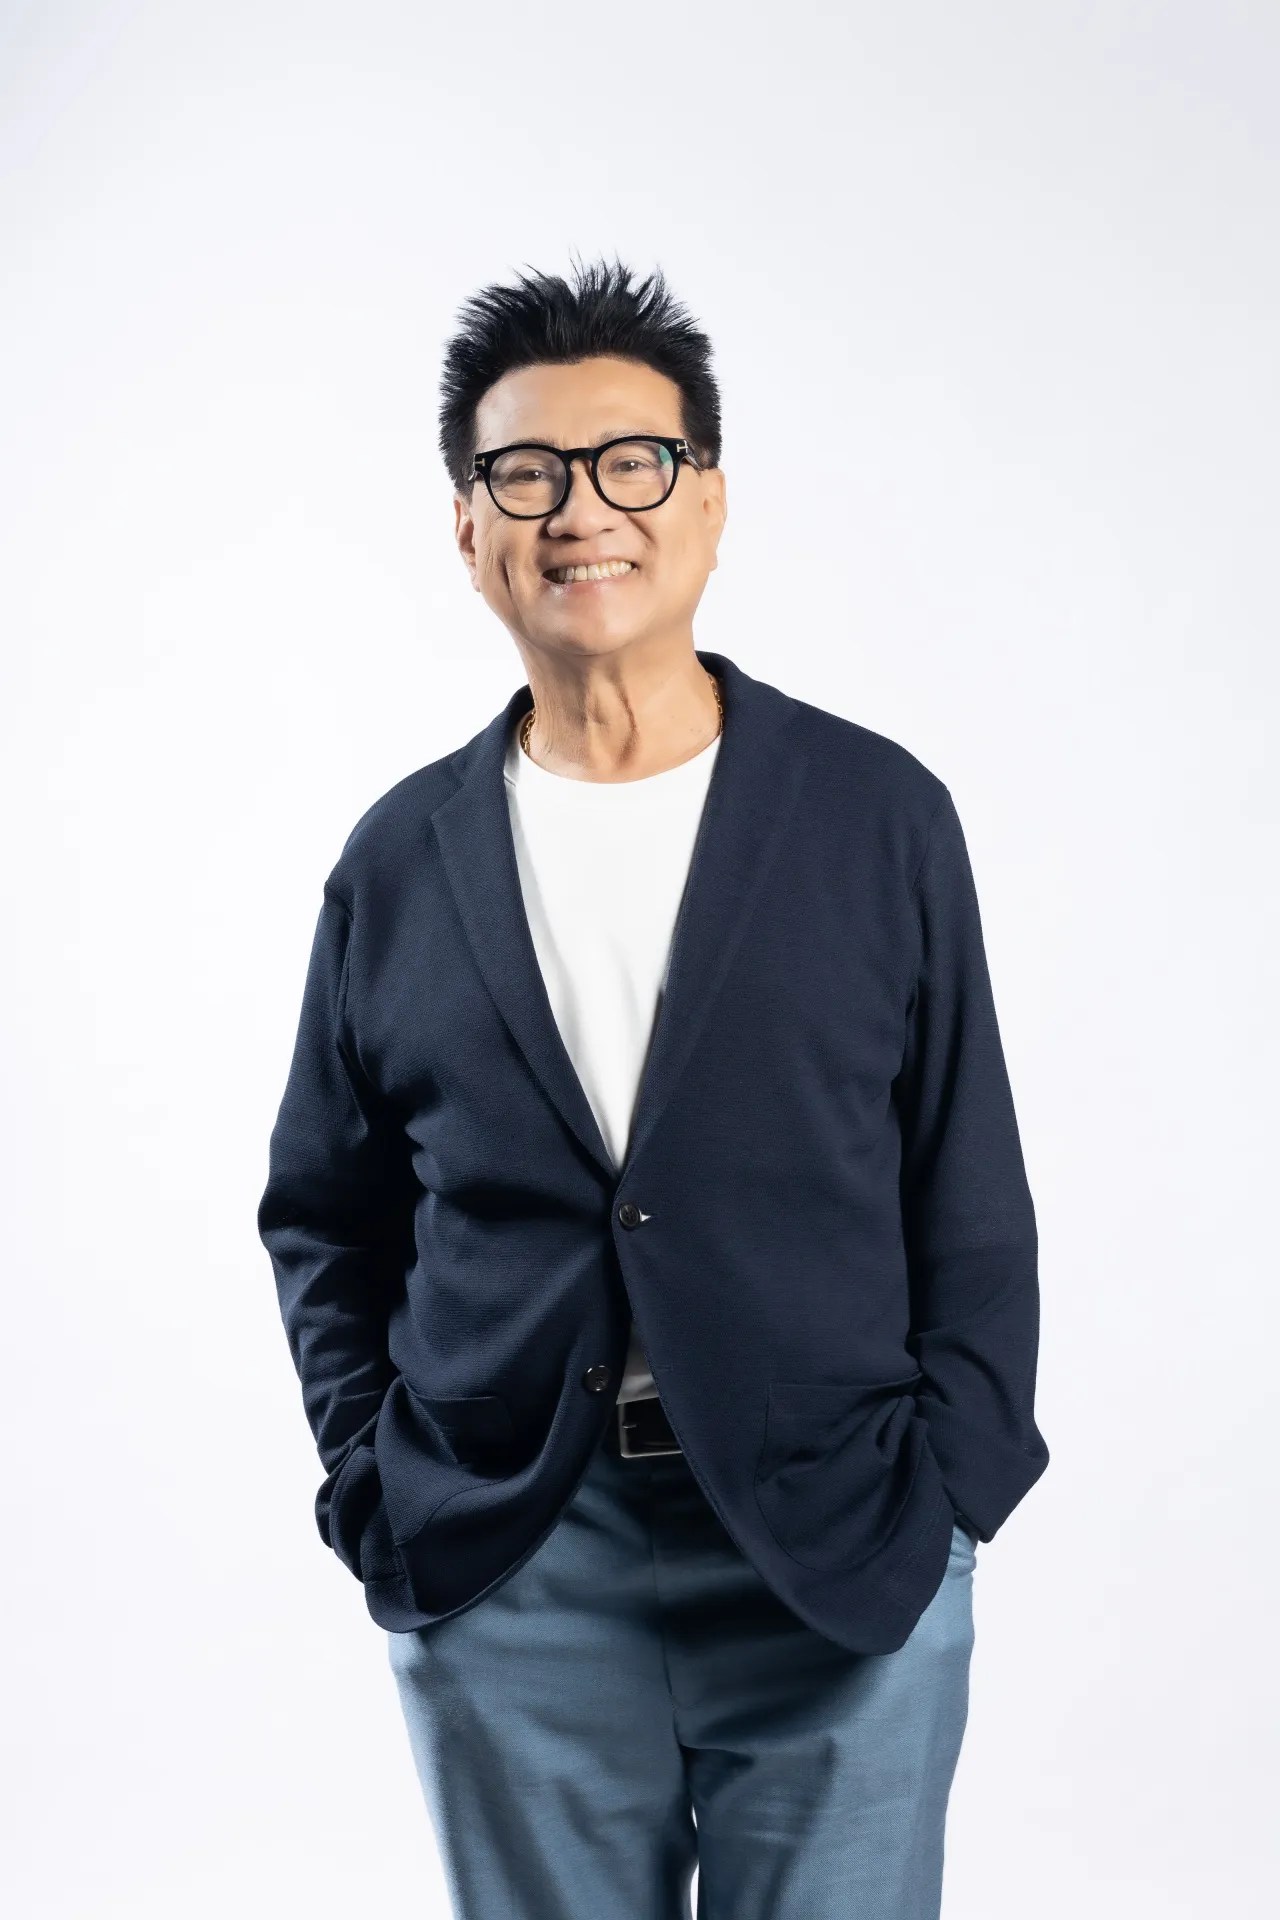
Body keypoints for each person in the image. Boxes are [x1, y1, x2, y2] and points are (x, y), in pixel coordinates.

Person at [257, 255, 1049, 1919]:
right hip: (513, 1555)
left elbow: (964, 1181)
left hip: (836, 1540)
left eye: (632, 462)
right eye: (525, 473)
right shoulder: (400, 860)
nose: (581, 511)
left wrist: (953, 1495)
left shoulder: (873, 817)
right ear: (468, 527)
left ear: (709, 500)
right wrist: (376, 1484)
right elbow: (326, 1214)